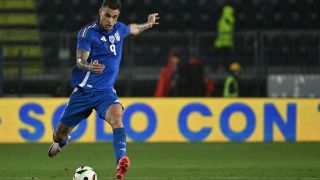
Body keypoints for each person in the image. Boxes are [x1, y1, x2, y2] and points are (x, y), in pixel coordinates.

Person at [47, 0, 159, 179]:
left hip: (106, 93)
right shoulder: (87, 33)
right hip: (84, 92)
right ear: (100, 12)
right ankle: (63, 141)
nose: (110, 21)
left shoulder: (119, 29)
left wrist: (148, 24)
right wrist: (90, 66)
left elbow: (133, 29)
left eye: (114, 17)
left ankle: (120, 162)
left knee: (117, 119)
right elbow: (80, 61)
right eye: (107, 15)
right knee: (58, 135)